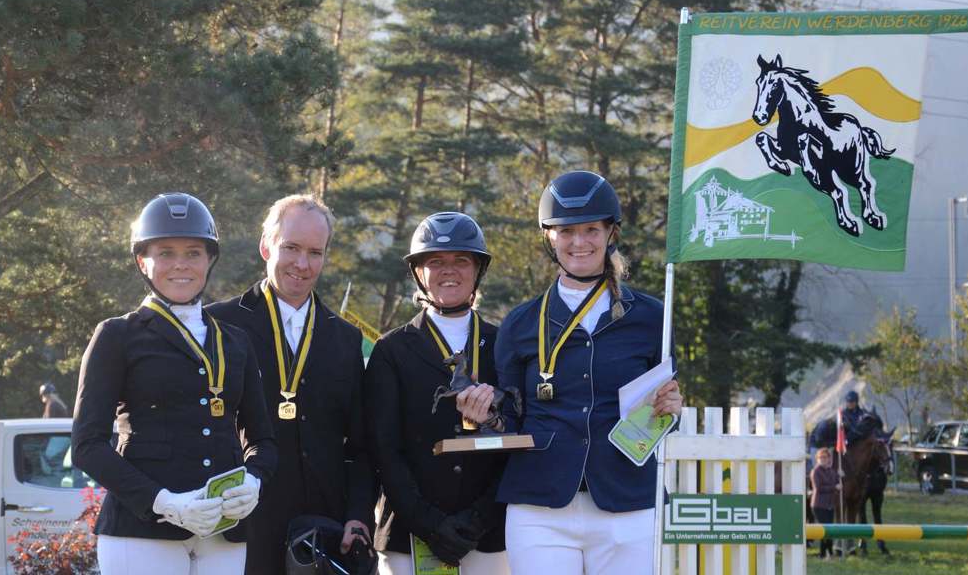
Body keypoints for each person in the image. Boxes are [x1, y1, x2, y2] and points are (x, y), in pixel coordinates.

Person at [457, 170, 683, 574]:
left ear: (611, 233)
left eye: (591, 230)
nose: (579, 242)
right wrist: (486, 415)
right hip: (540, 507)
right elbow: (510, 419)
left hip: (627, 502)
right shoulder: (521, 323)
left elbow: (663, 420)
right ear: (550, 238)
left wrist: (672, 409)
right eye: (566, 232)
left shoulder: (653, 319)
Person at [71, 193, 277, 574]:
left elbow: (262, 440)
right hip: (141, 532)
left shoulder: (235, 341)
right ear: (142, 262)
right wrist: (164, 502)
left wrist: (255, 479)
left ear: (210, 260)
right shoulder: (117, 335)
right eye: (165, 253)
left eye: (193, 253)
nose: (180, 265)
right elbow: (87, 446)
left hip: (224, 532)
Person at [207, 194, 376, 574]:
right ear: (266, 245)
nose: (302, 264)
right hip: (239, 527)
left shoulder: (345, 338)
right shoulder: (217, 326)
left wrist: (359, 514)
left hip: (323, 531)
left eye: (315, 252)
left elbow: (362, 445)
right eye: (291, 248)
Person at [364, 212, 508, 574]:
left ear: (477, 270)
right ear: (419, 272)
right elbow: (386, 450)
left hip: (488, 537)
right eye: (436, 262)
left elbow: (516, 441)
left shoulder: (504, 343)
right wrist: (429, 523)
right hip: (408, 536)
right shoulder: (391, 349)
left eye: (461, 260)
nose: (449, 270)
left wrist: (480, 518)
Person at [810, 448, 841, 559]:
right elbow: (819, 488)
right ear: (817, 459)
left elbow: (837, 482)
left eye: (825, 457)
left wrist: (840, 476)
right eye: (821, 457)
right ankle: (828, 553)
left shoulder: (831, 471)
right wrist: (834, 487)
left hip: (829, 505)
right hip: (819, 505)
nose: (823, 459)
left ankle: (824, 554)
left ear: (829, 459)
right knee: (825, 530)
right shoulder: (815, 472)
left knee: (829, 530)